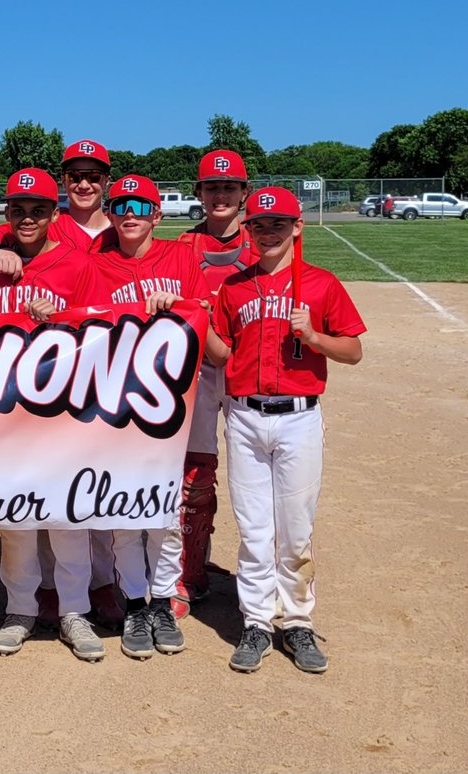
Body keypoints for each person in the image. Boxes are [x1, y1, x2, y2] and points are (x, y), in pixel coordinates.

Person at [205, 186, 365, 674]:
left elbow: (353, 350)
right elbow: (222, 353)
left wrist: (315, 336)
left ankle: (296, 622)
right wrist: (194, 317)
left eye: (278, 224)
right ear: (248, 230)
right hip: (246, 417)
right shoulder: (235, 288)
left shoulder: (320, 284)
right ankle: (256, 621)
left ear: (297, 228)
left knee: (294, 529)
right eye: (259, 225)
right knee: (254, 529)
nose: (267, 232)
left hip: (298, 417)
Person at [0, 168, 107, 661]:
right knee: (16, 518)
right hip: (5, 409)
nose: (27, 218)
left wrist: (63, 320)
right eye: (18, 210)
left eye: (38, 210)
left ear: (55, 213)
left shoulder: (77, 263)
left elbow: (101, 332)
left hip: (61, 408)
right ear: (6, 214)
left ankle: (74, 610)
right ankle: (20, 609)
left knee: (68, 513)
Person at [91, 174, 215, 659]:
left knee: (163, 509)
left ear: (157, 215)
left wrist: (177, 303)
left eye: (140, 206)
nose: (130, 214)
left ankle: (163, 599)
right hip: (118, 405)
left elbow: (201, 310)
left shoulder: (181, 257)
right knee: (124, 509)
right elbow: (74, 321)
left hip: (170, 405)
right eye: (120, 205)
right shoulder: (96, 263)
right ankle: (137, 602)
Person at [172, 149, 259, 618]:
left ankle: (260, 575)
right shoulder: (182, 245)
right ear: (199, 193)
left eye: (229, 187)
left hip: (252, 375)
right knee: (195, 477)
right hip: (201, 372)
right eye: (211, 187)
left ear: (243, 193)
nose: (220, 194)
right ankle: (191, 571)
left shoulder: (265, 239)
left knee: (254, 479)